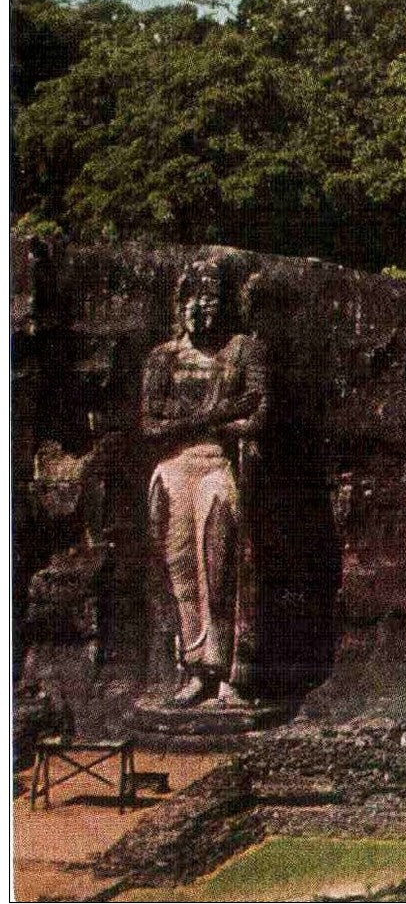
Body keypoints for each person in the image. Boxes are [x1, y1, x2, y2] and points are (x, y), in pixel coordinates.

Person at [141, 255, 268, 707]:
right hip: (175, 466)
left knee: (220, 564)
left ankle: (230, 670)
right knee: (179, 569)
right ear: (180, 303)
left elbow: (258, 415)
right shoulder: (164, 357)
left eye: (211, 298)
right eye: (192, 298)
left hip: (217, 464)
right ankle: (195, 669)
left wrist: (210, 423)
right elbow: (149, 425)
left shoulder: (243, 350)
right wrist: (212, 416)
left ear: (227, 303)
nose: (200, 308)